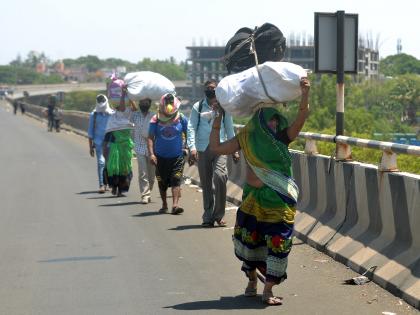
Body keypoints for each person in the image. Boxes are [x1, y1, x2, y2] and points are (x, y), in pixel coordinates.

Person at [209, 78, 311, 305]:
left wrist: (304, 93)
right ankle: (252, 280)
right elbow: (216, 148)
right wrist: (218, 118)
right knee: (249, 243)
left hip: (277, 202)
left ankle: (268, 290)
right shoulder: (247, 137)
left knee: (278, 244)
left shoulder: (282, 139)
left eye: (277, 121)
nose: (275, 125)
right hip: (252, 201)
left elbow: (301, 118)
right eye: (271, 121)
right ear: (260, 123)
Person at [187, 79, 239, 227]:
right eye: (208, 88)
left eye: (213, 88)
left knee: (220, 176)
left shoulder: (224, 107)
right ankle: (208, 216)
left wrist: (234, 149)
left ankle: (219, 214)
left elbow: (229, 128)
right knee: (206, 183)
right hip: (203, 148)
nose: (211, 90)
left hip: (220, 147)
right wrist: (192, 148)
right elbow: (191, 127)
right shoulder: (198, 107)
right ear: (205, 91)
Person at [148, 93, 188, 215]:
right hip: (160, 157)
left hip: (177, 156)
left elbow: (188, 133)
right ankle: (164, 204)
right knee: (162, 182)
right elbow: (150, 137)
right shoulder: (155, 119)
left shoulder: (181, 118)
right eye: (167, 103)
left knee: (176, 179)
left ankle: (175, 205)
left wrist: (187, 147)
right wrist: (151, 154)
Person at [103, 88, 135, 197]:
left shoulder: (128, 113)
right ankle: (115, 188)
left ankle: (121, 190)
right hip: (115, 147)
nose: (122, 107)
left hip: (126, 148)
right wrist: (123, 95)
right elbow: (107, 136)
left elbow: (134, 108)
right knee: (114, 167)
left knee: (125, 168)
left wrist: (129, 96)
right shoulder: (114, 117)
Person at [87, 94, 114, 193]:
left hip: (111, 142)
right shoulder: (93, 115)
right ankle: (102, 184)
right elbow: (90, 132)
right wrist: (90, 147)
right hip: (98, 143)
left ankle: (109, 183)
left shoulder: (112, 114)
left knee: (109, 163)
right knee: (101, 163)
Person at [131, 98, 155, 204]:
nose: (143, 104)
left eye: (146, 102)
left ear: (150, 104)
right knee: (143, 173)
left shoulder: (154, 116)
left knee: (152, 175)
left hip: (152, 150)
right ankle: (145, 195)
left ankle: (148, 191)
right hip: (139, 148)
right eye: (141, 102)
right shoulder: (135, 115)